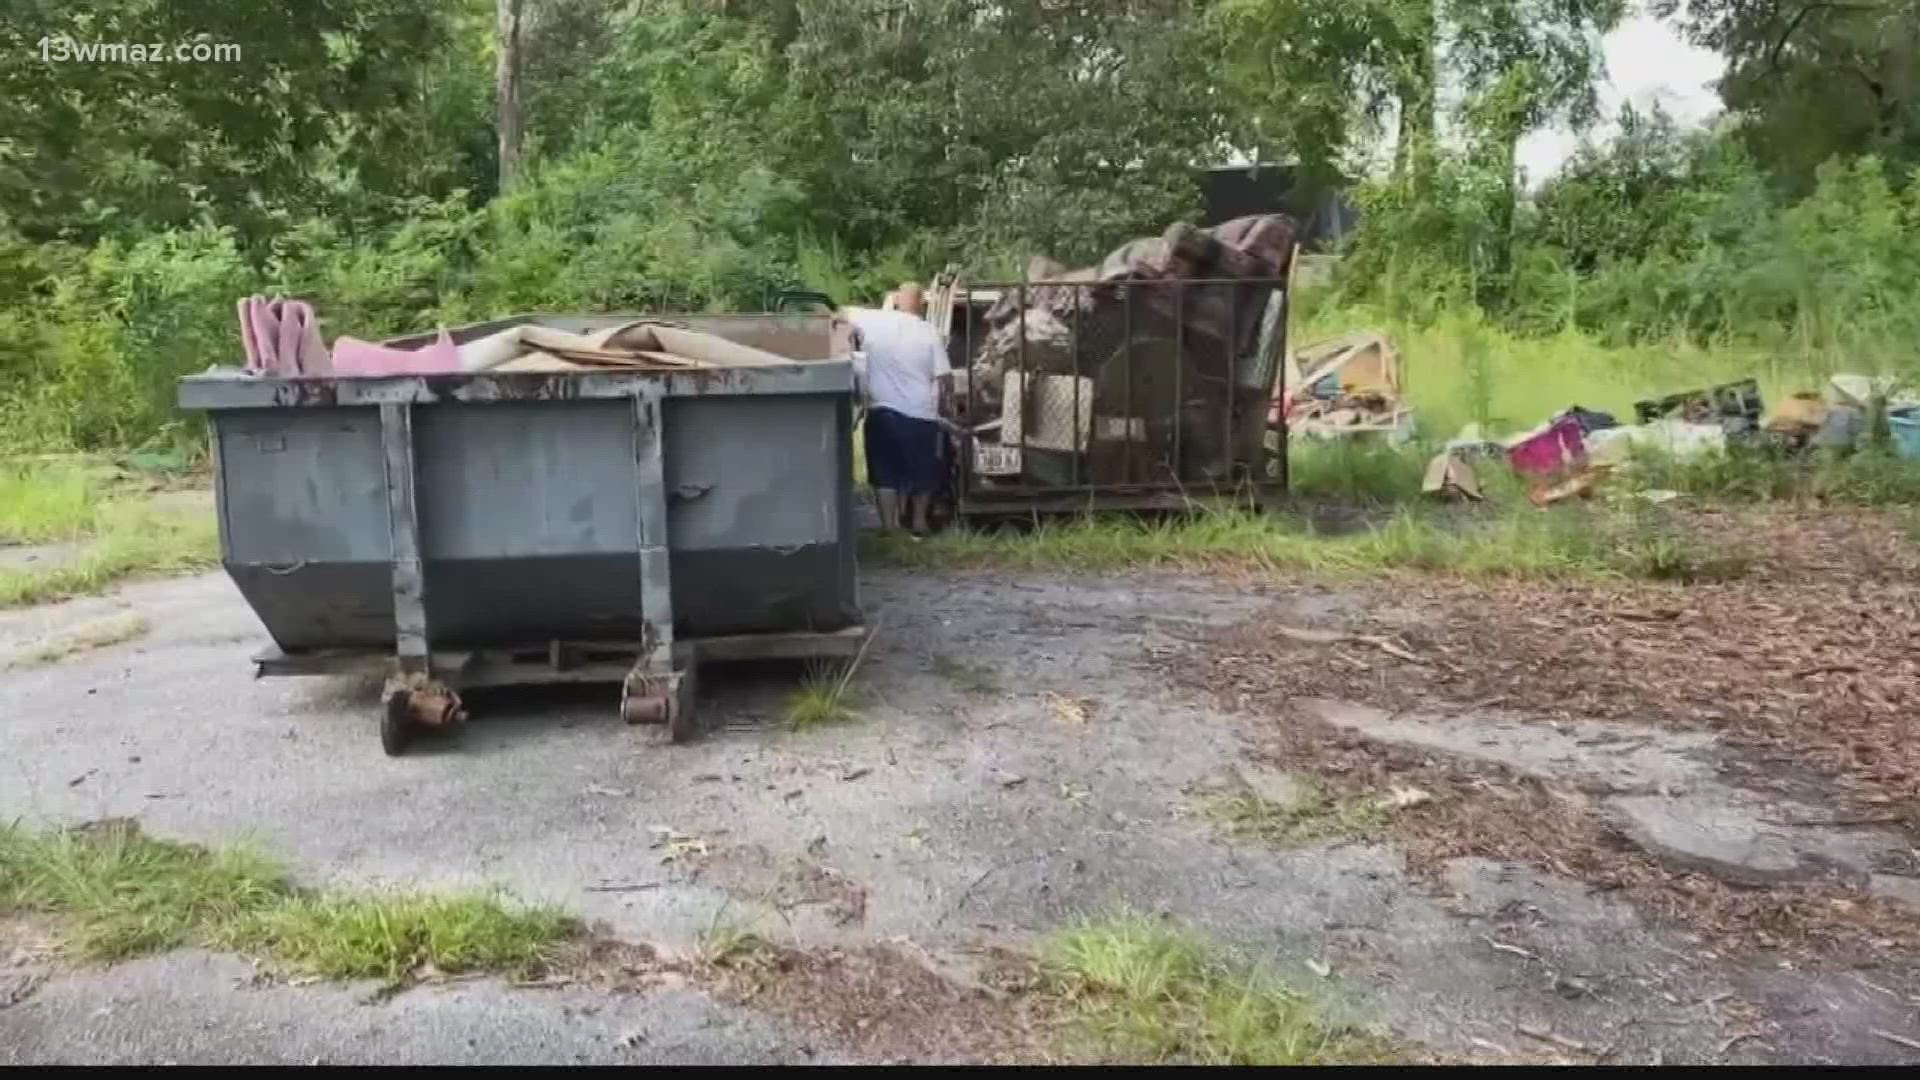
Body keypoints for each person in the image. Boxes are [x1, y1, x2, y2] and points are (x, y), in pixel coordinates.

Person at [846, 283, 951, 536]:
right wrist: (946, 407)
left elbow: (841, 317)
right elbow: (945, 377)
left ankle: (889, 527)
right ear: (922, 305)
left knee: (885, 473)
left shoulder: (873, 323)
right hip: (920, 413)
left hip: (882, 411)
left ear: (895, 301)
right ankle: (918, 523)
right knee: (923, 470)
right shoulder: (929, 332)